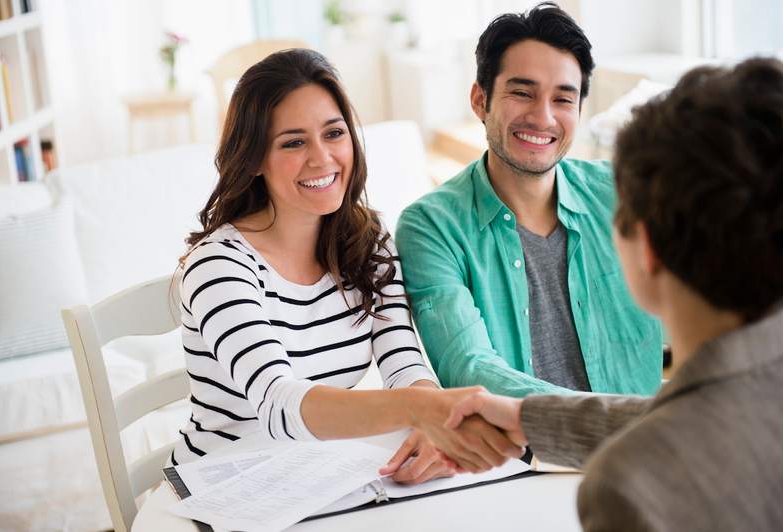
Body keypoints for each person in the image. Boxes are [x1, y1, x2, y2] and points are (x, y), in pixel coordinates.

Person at [446, 57, 783, 531]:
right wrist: (530, 417)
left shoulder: (630, 487)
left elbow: (691, 429)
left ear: (647, 248)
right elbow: (703, 417)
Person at [172, 48, 522, 482]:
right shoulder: (219, 266)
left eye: (334, 133)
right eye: (294, 142)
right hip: (223, 485)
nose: (322, 158)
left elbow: (402, 361)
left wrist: (432, 424)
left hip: (316, 476)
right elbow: (280, 405)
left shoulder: (367, 239)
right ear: (255, 158)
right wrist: (424, 409)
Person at [396, 2, 662, 398]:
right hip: (525, 455)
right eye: (522, 93)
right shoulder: (431, 227)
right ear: (479, 100)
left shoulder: (622, 193)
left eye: (563, 99)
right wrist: (610, 423)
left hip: (648, 445)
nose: (543, 118)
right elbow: (470, 370)